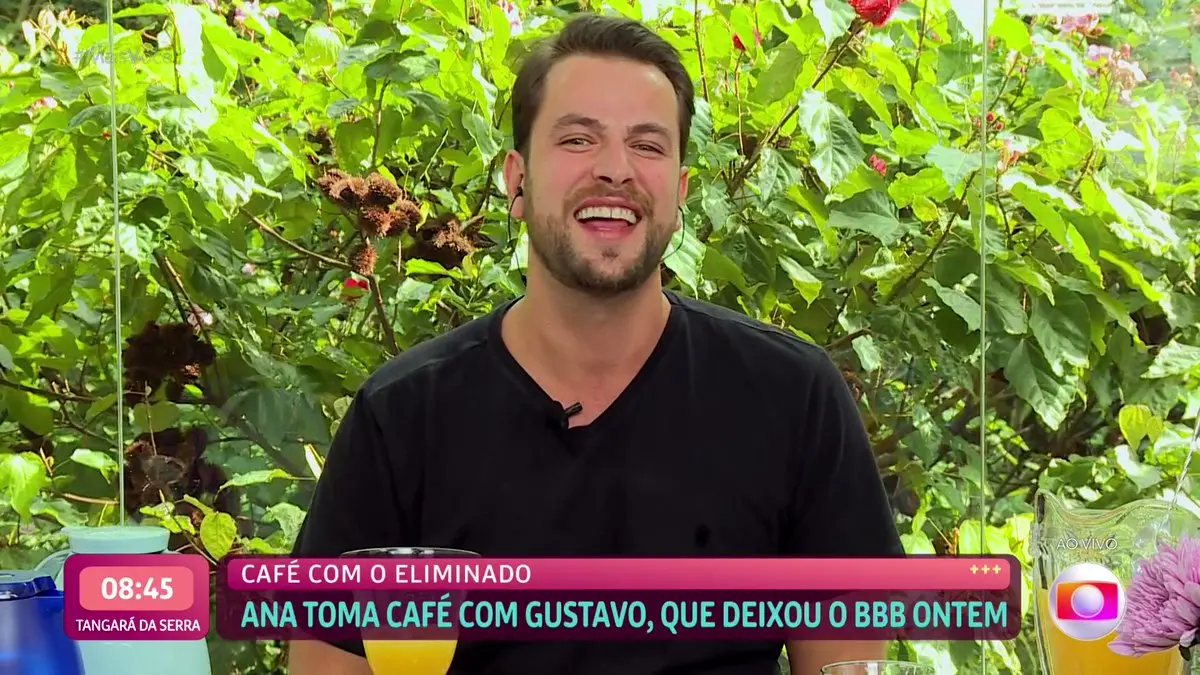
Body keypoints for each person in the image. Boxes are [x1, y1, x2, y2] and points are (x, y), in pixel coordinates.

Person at [287, 12, 903, 675]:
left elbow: (847, 662)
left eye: (647, 145)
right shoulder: (403, 417)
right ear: (517, 181)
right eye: (578, 139)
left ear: (680, 191)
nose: (615, 170)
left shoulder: (792, 398)